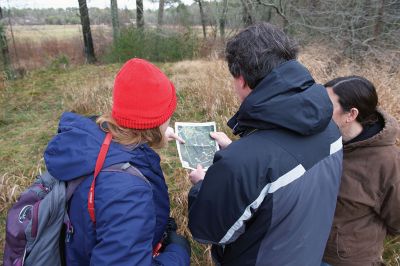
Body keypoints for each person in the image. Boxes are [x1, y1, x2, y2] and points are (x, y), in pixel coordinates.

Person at [187, 22, 343, 265]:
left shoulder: (244, 163)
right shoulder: (330, 128)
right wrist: (239, 151)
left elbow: (210, 231)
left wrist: (202, 186)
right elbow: (285, 163)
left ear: (240, 79)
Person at [43, 58, 190, 265]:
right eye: (167, 114)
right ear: (155, 122)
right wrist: (177, 254)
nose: (170, 119)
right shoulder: (128, 191)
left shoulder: (95, 139)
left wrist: (155, 135)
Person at [322, 76, 400, 266]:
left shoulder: (388, 162)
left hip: (344, 260)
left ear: (351, 114)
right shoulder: (322, 140)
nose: (318, 110)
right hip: (304, 250)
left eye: (326, 105)